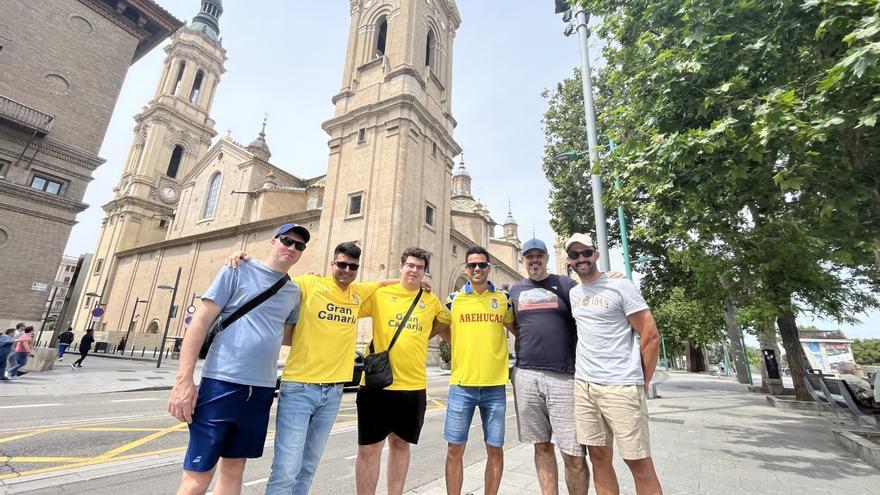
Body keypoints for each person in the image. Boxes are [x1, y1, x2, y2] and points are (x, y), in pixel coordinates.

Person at [167, 223, 307, 495]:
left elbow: (287, 336)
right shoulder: (237, 269)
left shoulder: (293, 292)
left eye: (299, 246)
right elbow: (200, 322)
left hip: (262, 390)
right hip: (222, 383)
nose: (291, 248)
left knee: (235, 468)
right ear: (273, 241)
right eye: (287, 241)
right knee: (198, 475)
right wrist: (183, 381)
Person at [565, 233, 662, 495]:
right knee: (598, 458)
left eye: (586, 252)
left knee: (638, 462)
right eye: (575, 255)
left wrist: (643, 380)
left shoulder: (621, 286)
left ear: (596, 254)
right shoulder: (574, 294)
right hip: (585, 386)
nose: (581, 258)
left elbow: (651, 336)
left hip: (620, 386)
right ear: (569, 261)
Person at [354, 247, 445, 495]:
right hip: (377, 385)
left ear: (426, 272)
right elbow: (352, 297)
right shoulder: (381, 294)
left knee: (401, 444)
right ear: (401, 266)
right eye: (410, 266)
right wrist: (389, 281)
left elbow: (445, 323)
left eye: (420, 267)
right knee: (369, 448)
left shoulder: (431, 300)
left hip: (414, 387)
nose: (414, 270)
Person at [508, 238, 589, 495]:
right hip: (526, 375)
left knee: (574, 453)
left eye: (538, 256)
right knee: (541, 446)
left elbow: (592, 297)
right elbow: (509, 323)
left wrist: (613, 278)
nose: (534, 260)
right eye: (529, 256)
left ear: (546, 258)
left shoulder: (566, 285)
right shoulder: (515, 291)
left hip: (564, 377)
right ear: (523, 259)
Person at [433, 246, 516, 495]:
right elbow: (439, 329)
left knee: (495, 449)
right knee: (454, 449)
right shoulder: (454, 300)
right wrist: (459, 342)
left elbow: (519, 331)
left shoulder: (503, 299)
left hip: (494, 386)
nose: (477, 269)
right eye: (472, 265)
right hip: (461, 385)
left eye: (482, 265)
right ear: (466, 269)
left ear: (489, 268)